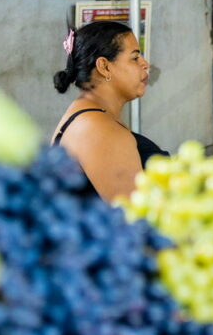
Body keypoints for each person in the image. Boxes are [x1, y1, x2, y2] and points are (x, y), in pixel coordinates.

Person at [51, 20, 166, 200]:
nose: (145, 64)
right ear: (104, 67)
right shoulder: (96, 128)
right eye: (135, 58)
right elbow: (133, 214)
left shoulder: (90, 116)